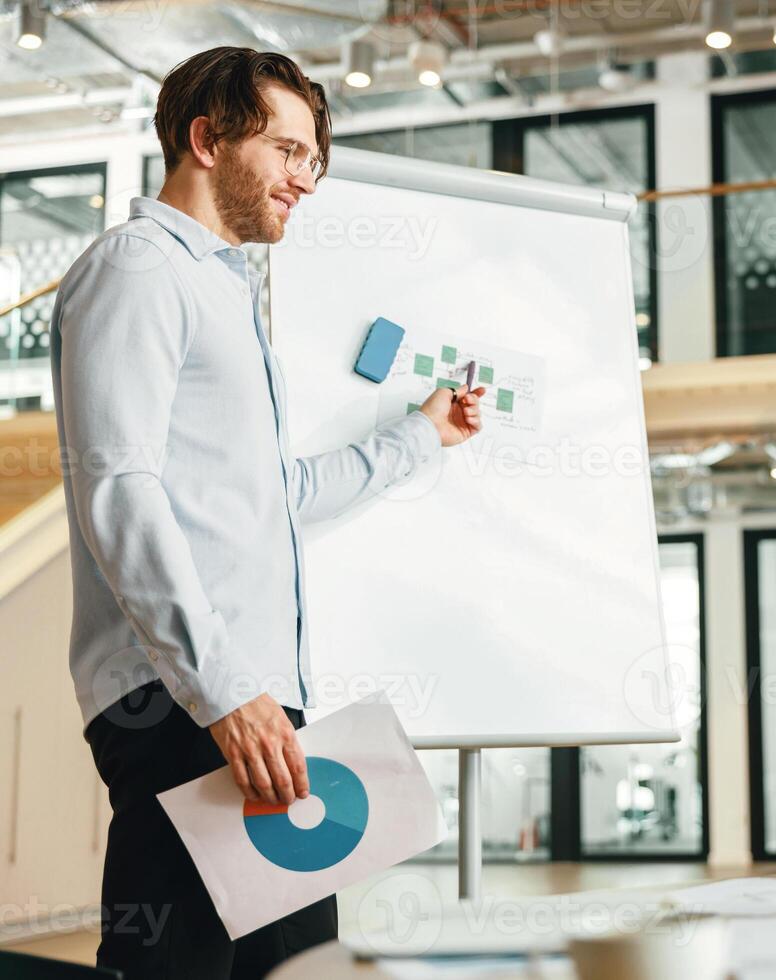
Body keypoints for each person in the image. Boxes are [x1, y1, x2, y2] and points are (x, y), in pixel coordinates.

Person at [50, 47, 488, 978]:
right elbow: (116, 487)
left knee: (298, 966)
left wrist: (421, 435)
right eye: (287, 151)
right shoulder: (138, 271)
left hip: (244, 701)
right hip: (185, 702)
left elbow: (273, 500)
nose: (305, 178)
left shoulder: (224, 290)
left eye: (312, 160)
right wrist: (222, 693)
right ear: (206, 140)